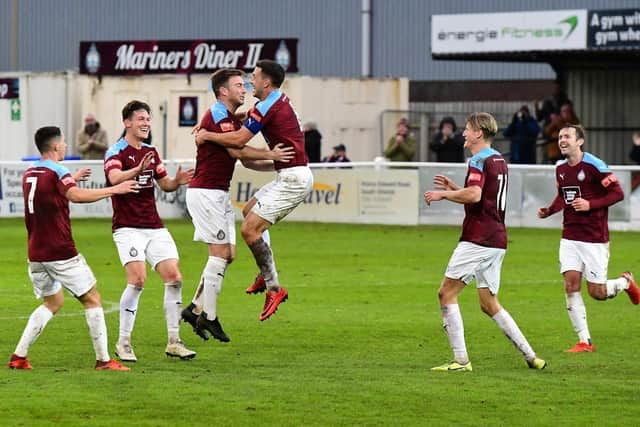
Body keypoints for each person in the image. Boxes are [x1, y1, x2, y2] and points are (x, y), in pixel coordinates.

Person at [9, 126, 138, 371]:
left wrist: (73, 178)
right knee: (92, 299)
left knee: (52, 302)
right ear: (56, 146)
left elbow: (48, 194)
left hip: (36, 252)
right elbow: (75, 196)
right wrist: (114, 189)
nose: (66, 145)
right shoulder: (58, 171)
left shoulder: (30, 172)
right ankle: (103, 361)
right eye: (64, 142)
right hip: (60, 251)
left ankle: (19, 356)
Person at [424, 112, 546, 372]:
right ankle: (531, 356)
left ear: (479, 133)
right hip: (497, 238)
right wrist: (456, 187)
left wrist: (444, 194)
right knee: (489, 303)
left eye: (467, 129)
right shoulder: (499, 159)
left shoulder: (477, 159)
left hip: (477, 238)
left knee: (446, 294)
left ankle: (461, 361)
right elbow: (484, 198)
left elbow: (475, 195)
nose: (464, 134)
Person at [180, 69, 294, 342]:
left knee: (227, 255)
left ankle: (194, 309)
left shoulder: (226, 118)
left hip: (216, 194)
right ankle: (208, 317)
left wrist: (277, 163)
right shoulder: (218, 114)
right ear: (223, 91)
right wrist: (271, 153)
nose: (244, 89)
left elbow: (244, 158)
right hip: (206, 193)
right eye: (238, 85)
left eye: (245, 84)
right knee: (220, 255)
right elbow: (237, 150)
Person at [194, 59, 313, 321]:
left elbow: (238, 141)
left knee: (249, 230)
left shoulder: (267, 106)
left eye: (255, 77)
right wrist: (215, 125)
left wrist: (207, 135)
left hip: (294, 179)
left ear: (266, 82)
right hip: (289, 175)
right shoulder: (273, 102)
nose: (251, 81)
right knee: (249, 212)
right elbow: (248, 118)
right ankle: (264, 272)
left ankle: (274, 287)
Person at [105, 100, 196, 362]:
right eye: (141, 119)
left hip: (154, 226)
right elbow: (114, 179)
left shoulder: (151, 152)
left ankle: (174, 341)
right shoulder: (116, 152)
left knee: (174, 277)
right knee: (138, 280)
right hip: (127, 227)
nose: (146, 123)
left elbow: (164, 184)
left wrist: (176, 182)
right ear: (127, 123)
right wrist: (137, 170)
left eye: (148, 119)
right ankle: (123, 342)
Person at [538, 124, 639, 353]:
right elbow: (563, 197)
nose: (562, 140)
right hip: (570, 236)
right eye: (560, 136)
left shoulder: (595, 165)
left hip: (594, 238)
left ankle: (625, 282)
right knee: (571, 284)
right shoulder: (561, 169)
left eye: (567, 136)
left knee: (597, 293)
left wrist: (590, 205)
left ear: (579, 141)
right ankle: (585, 341)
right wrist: (549, 210)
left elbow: (618, 193)